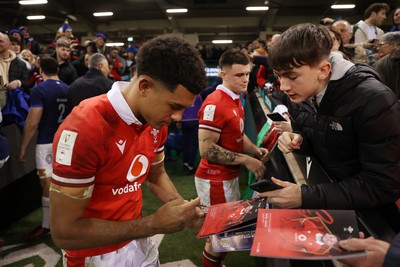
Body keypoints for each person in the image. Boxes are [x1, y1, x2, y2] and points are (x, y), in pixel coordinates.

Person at [49, 35, 208, 266]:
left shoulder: (155, 120)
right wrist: (151, 224)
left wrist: (183, 210)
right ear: (144, 86)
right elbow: (65, 232)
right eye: (175, 106)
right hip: (94, 255)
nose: (178, 118)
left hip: (139, 241)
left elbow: (156, 175)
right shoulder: (85, 128)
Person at [257, 24, 400, 232]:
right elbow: (314, 134)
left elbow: (382, 184)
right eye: (279, 76)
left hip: (376, 220)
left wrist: (305, 196)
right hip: (336, 201)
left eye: (292, 76)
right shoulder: (300, 93)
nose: (284, 86)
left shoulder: (374, 101)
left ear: (324, 70)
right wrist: (297, 139)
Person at [195, 49, 268, 267]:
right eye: (239, 75)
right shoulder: (215, 103)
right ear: (223, 74)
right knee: (220, 235)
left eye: (247, 74)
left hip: (226, 176)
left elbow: (236, 133)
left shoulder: (234, 98)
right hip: (215, 178)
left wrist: (254, 149)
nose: (245, 79)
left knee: (226, 233)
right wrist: (246, 160)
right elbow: (206, 149)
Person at [18, 56, 68, 242]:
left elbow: (32, 122)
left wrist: (23, 147)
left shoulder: (40, 89)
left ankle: (48, 225)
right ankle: (64, 221)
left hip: (46, 142)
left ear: (40, 69)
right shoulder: (67, 88)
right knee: (63, 183)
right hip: (64, 141)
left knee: (46, 184)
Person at [0, 32, 29, 108]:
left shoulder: (21, 64)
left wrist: (18, 83)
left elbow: (27, 84)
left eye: (1, 41)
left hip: (13, 105)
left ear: (9, 44)